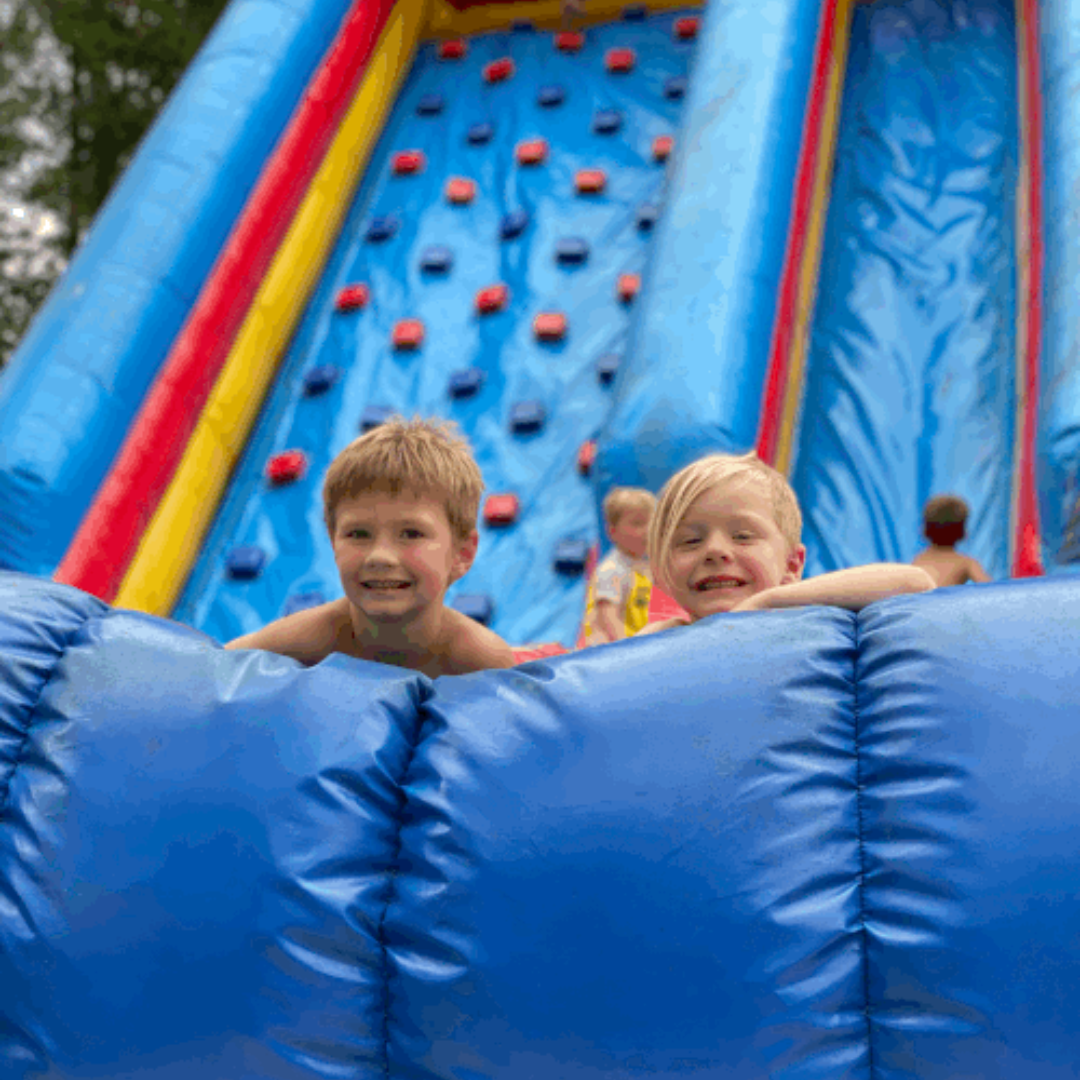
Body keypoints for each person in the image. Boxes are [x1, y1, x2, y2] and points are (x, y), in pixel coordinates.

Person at [225, 417, 515, 676]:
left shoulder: (479, 661)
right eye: (358, 534)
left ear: (462, 554)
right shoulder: (301, 645)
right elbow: (212, 674)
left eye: (411, 534)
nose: (380, 556)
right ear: (333, 541)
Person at [637, 452, 935, 634]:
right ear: (661, 573)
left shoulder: (797, 614)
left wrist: (766, 602)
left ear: (792, 564)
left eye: (743, 536)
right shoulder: (664, 640)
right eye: (690, 541)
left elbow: (914, 582)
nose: (714, 551)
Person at [582, 487, 656, 646]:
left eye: (651, 523)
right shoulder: (612, 570)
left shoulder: (643, 565)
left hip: (632, 638)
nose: (647, 530)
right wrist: (627, 647)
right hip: (608, 645)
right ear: (612, 532)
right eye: (638, 524)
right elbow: (608, 617)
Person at [913, 494, 991, 587]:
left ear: (926, 528)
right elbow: (990, 590)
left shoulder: (918, 560)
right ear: (962, 530)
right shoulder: (966, 563)